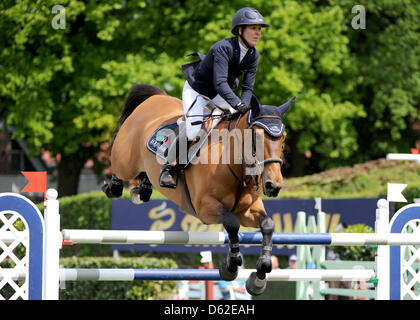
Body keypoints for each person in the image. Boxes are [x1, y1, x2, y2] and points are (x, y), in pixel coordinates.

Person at [159, 7, 270, 188]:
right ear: (240, 30)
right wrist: (237, 103)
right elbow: (219, 82)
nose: (258, 33)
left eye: (259, 29)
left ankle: (251, 169)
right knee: (194, 129)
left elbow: (248, 87)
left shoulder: (253, 55)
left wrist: (246, 107)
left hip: (220, 93)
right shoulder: (223, 48)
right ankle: (167, 167)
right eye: (253, 28)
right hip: (198, 90)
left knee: (247, 120)